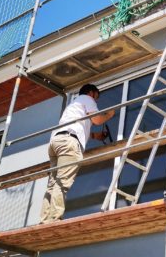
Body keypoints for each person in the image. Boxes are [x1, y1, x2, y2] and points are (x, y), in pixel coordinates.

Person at [40, 83, 115, 224]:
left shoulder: (74, 105)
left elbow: (78, 126)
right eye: (96, 97)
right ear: (91, 93)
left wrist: (95, 136)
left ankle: (44, 220)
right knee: (62, 182)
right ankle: (54, 219)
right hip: (69, 142)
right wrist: (109, 114)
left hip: (56, 141)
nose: (96, 101)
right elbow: (98, 120)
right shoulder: (87, 99)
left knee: (52, 184)